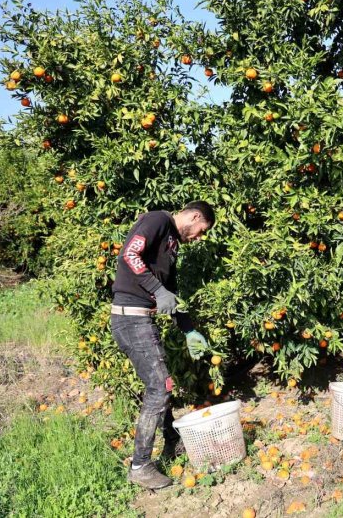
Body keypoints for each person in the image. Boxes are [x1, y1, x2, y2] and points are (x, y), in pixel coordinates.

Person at [111, 201, 214, 489]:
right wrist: (157, 290)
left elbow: (172, 292)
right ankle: (140, 466)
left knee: (161, 384)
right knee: (160, 387)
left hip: (143, 320)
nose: (198, 238)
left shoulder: (172, 244)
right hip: (130, 320)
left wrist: (189, 329)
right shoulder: (157, 220)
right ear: (194, 217)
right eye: (201, 231)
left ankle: (172, 443)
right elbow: (129, 254)